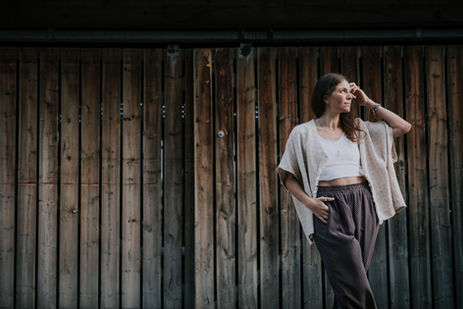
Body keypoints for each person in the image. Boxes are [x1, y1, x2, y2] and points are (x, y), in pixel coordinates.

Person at [277, 73, 411, 308]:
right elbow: (287, 176)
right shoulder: (303, 133)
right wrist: (310, 203)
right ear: (326, 97)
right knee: (353, 285)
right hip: (329, 206)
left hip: (363, 202)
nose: (349, 96)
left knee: (349, 284)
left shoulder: (359, 129)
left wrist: (368, 103)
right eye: (342, 91)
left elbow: (403, 126)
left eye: (350, 92)